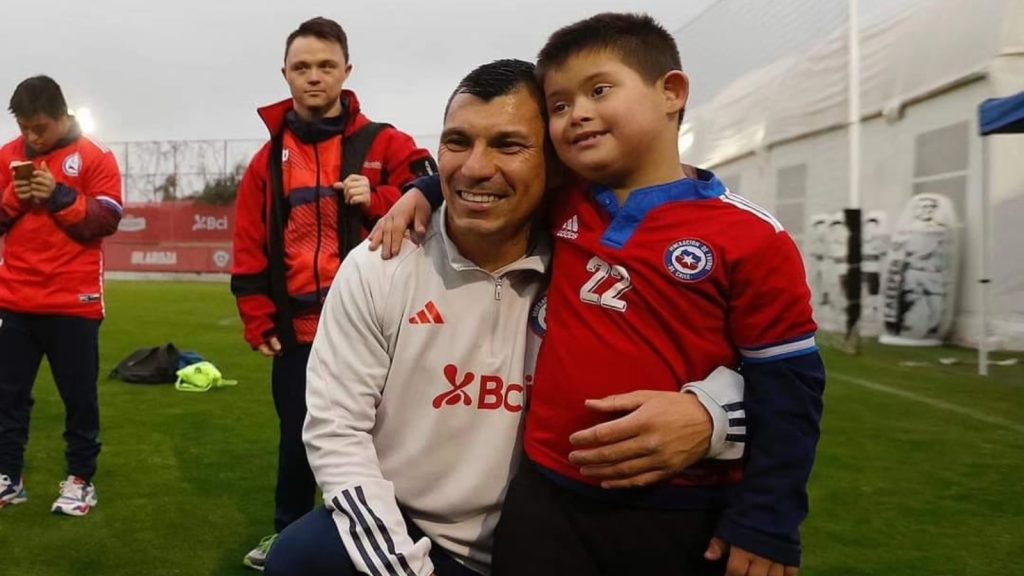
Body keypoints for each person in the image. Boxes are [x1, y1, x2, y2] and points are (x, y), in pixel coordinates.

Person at [374, 13, 825, 576]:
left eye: (599, 90)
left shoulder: (753, 238)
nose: (576, 114)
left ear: (672, 92)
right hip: (545, 499)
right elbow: (480, 172)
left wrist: (768, 519)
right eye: (559, 105)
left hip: (682, 508)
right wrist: (422, 191)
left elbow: (790, 387)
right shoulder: (565, 202)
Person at [264, 59, 740, 576]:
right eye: (457, 141)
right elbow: (336, 430)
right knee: (300, 559)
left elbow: (772, 378)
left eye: (509, 145)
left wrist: (712, 416)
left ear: (556, 165)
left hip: (552, 535)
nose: (474, 167)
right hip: (409, 531)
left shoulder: (598, 261)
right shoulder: (381, 263)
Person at [230, 16, 437, 571]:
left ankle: (402, 534)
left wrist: (380, 196)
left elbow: (434, 197)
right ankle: (288, 534)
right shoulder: (266, 160)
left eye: (325, 66)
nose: (314, 77)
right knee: (299, 441)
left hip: (381, 330)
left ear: (347, 70)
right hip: (300, 335)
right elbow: (249, 243)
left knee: (388, 443)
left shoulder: (386, 142)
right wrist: (257, 316)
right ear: (285, 74)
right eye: (302, 67)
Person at [0, 75, 124, 517]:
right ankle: (8, 477)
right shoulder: (7, 157)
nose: (31, 137)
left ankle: (79, 480)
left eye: (40, 128)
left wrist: (58, 196)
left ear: (62, 117)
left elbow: (106, 219)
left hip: (75, 303)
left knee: (79, 399)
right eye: (24, 128)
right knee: (7, 396)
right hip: (15, 300)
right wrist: (15, 200)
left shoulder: (94, 155)